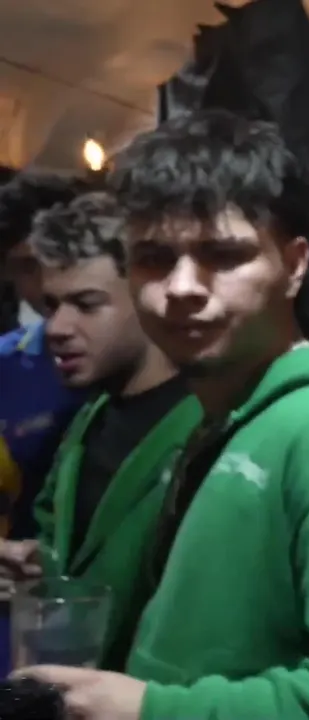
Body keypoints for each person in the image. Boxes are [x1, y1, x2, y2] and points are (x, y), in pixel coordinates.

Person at [17, 109, 309, 720]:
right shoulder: (224, 420)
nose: (182, 286)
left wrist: (152, 710)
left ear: (296, 264)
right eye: (154, 258)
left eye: (223, 255)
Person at [17, 192, 199, 673]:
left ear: (150, 296)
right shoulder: (86, 422)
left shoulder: (209, 429)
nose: (56, 327)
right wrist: (34, 566)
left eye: (86, 304)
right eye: (51, 305)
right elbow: (68, 550)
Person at [0, 172, 89, 541]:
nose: (44, 283)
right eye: (26, 267)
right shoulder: (5, 366)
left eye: (52, 260)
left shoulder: (165, 359)